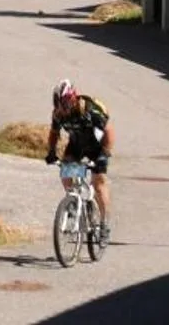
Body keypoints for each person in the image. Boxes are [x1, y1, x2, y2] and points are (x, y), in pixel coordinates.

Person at [46, 78, 114, 238]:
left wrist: (104, 154)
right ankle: (72, 203)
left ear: (72, 99)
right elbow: (54, 133)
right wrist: (51, 151)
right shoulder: (58, 114)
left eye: (65, 107)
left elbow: (110, 132)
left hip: (97, 146)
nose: (63, 112)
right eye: (60, 109)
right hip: (76, 145)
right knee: (66, 171)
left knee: (98, 182)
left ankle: (104, 223)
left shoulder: (90, 109)